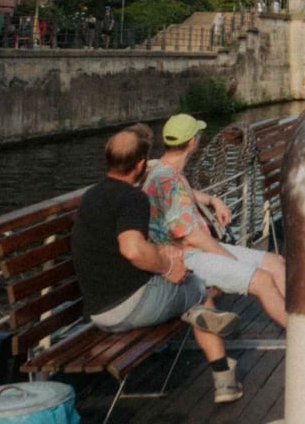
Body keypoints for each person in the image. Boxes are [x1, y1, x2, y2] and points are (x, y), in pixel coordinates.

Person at [71, 127, 243, 405]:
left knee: (182, 284)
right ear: (140, 165)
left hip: (98, 312)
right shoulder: (132, 198)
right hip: (131, 308)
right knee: (197, 287)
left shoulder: (91, 195)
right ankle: (225, 381)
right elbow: (132, 248)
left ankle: (192, 312)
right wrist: (167, 267)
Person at [144, 114, 288, 331]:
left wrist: (212, 199)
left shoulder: (162, 171)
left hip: (196, 249)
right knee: (263, 280)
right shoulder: (169, 181)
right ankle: (303, 337)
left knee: (276, 262)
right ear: (193, 143)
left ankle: (301, 323)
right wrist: (228, 258)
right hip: (188, 256)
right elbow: (192, 236)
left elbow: (183, 193)